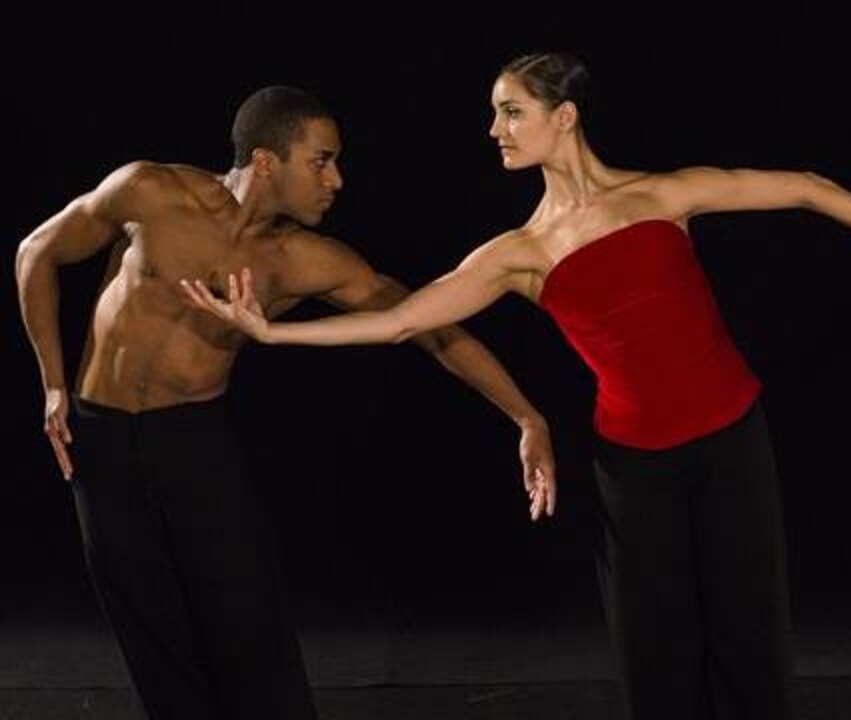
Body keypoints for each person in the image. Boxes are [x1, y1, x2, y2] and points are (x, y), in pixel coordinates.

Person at [182, 54, 851, 720]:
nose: (495, 129)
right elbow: (402, 319)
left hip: (731, 443)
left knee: (751, 643)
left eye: (511, 111)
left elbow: (805, 187)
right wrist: (274, 332)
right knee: (659, 659)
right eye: (493, 115)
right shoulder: (519, 253)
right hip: (634, 470)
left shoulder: (661, 196)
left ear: (566, 116)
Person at [15, 85, 556, 720]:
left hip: (192, 439)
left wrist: (526, 415)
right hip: (97, 434)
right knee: (148, 619)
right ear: (268, 161)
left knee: (244, 618)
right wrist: (53, 381)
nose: (337, 180)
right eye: (321, 161)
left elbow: (427, 326)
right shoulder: (150, 192)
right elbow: (36, 253)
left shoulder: (303, 261)